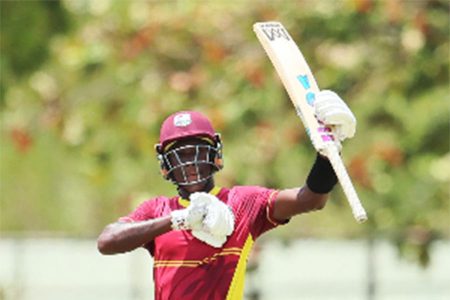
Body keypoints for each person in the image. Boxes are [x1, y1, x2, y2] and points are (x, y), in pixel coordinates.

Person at [97, 90, 356, 299]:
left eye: (198, 152)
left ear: (215, 156)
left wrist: (328, 154)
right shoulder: (157, 210)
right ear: (166, 165)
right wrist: (180, 219)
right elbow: (107, 242)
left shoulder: (242, 203)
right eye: (182, 155)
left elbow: (311, 199)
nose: (190, 163)